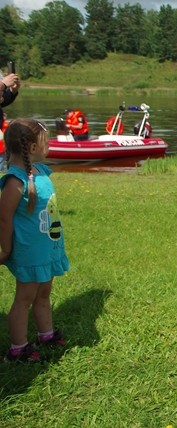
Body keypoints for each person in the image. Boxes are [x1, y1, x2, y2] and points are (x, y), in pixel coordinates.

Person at [0, 119, 70, 363]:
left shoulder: (41, 172)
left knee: (44, 293)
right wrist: (6, 249)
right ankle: (18, 349)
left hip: (47, 248)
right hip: (30, 252)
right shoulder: (15, 182)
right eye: (46, 142)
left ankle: (46, 335)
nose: (49, 145)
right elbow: (4, 219)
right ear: (31, 148)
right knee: (24, 299)